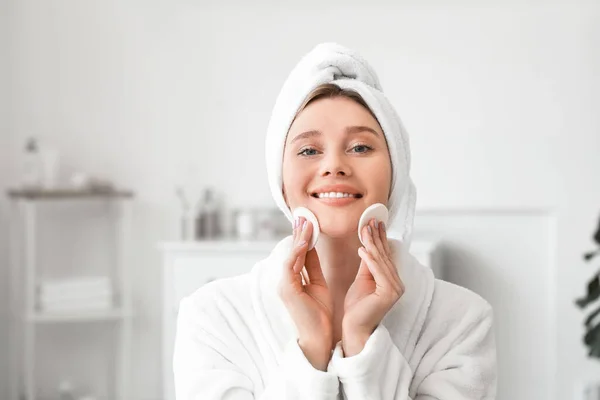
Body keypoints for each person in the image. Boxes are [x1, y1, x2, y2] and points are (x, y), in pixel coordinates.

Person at [173, 43, 497, 399]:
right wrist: (311, 349)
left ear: (396, 171)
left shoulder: (462, 321)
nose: (334, 166)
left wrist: (362, 346)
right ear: (280, 178)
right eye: (308, 150)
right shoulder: (212, 318)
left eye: (360, 147)